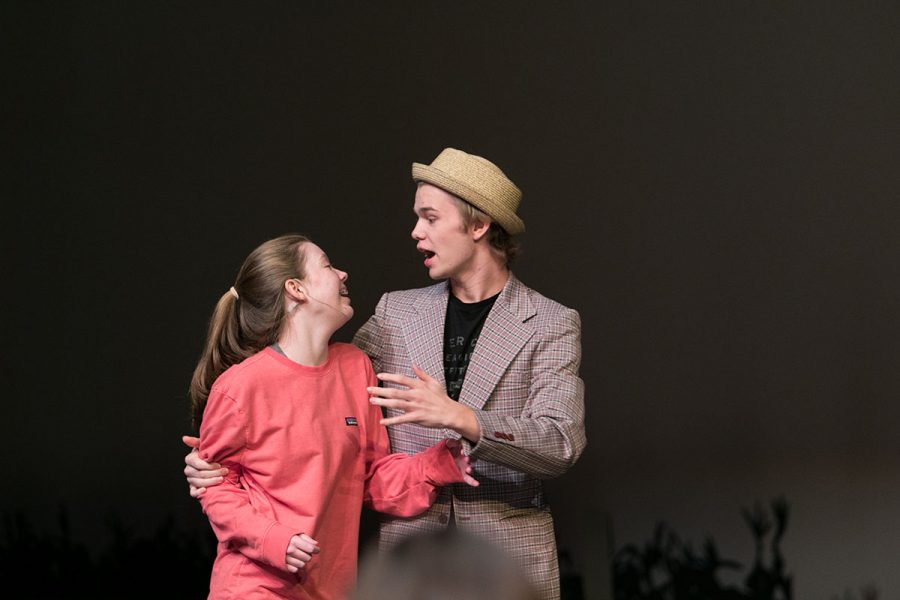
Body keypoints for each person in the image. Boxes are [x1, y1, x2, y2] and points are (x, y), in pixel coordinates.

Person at [186, 149, 586, 599]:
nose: (416, 232)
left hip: (508, 563)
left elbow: (560, 443)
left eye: (430, 217)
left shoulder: (550, 322)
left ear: (478, 226)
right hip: (407, 565)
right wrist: (216, 465)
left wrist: (461, 418)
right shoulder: (396, 313)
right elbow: (309, 380)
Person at [187, 234, 477, 600]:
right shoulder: (241, 386)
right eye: (326, 265)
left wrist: (441, 463)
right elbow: (216, 485)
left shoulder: (355, 367)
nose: (342, 274)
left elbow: (373, 476)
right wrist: (274, 539)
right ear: (296, 289)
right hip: (254, 588)